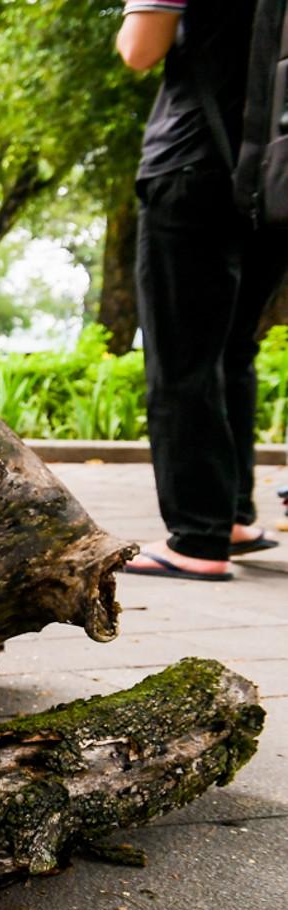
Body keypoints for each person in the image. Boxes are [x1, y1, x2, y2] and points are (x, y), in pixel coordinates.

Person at [115, 1, 287, 579]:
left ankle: (198, 539)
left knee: (183, 357)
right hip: (272, 179)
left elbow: (139, 49)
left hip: (191, 165)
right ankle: (233, 515)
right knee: (232, 350)